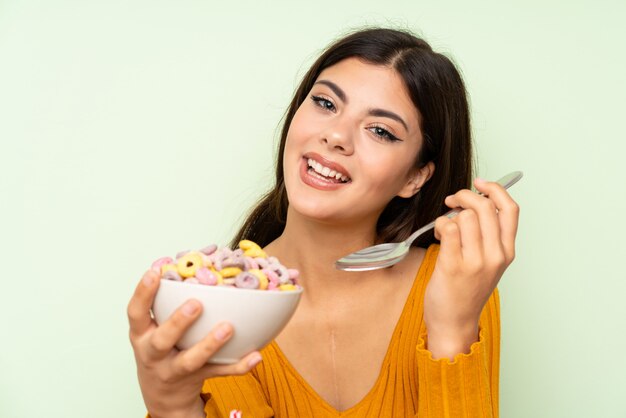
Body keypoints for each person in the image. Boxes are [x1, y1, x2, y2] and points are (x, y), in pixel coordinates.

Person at [128, 27, 519, 418]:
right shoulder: (216, 302)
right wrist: (173, 408)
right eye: (326, 103)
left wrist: (452, 332)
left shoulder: (457, 285)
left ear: (414, 177)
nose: (335, 136)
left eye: (380, 131)